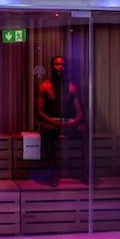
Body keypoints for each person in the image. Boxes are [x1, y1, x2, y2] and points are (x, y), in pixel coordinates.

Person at [36, 55, 86, 187]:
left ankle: (86, 174)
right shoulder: (45, 86)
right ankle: (53, 175)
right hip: (52, 123)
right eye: (57, 64)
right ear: (52, 67)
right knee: (46, 134)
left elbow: (80, 111)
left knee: (85, 132)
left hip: (68, 122)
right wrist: (54, 122)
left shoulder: (72, 87)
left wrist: (74, 122)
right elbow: (40, 111)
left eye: (63, 65)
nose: (60, 67)